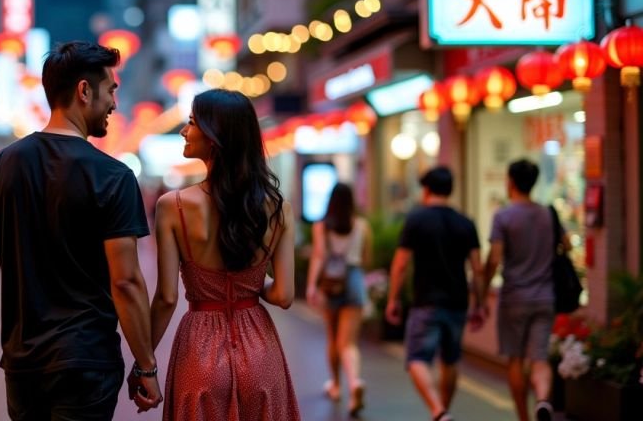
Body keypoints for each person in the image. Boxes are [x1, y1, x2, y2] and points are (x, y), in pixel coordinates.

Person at [0, 41, 161, 419]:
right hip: (87, 360)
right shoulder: (113, 176)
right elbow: (126, 282)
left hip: (23, 361)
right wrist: (145, 364)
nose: (115, 105)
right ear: (84, 91)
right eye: (111, 90)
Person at [149, 89, 301, 420]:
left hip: (198, 351)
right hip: (261, 350)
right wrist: (251, 281)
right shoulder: (278, 209)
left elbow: (165, 297)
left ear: (215, 136)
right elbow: (285, 295)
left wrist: (143, 362)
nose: (183, 131)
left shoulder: (172, 206)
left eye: (191, 122)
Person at [386, 166, 486, 421]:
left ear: (427, 189)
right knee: (450, 360)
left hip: (426, 302)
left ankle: (438, 410)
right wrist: (481, 303)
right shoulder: (466, 222)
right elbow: (477, 268)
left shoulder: (417, 219)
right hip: (457, 302)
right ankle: (443, 411)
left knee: (416, 358)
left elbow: (400, 263)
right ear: (450, 190)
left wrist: (393, 298)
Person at [484, 159, 563, 421]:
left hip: (514, 298)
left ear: (511, 182)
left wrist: (482, 291)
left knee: (516, 358)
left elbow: (494, 258)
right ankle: (542, 400)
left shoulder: (504, 216)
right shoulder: (548, 213)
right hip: (545, 296)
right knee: (539, 358)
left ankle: (523, 417)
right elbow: (566, 246)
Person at [306, 183, 371, 416]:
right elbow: (366, 258)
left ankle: (336, 385)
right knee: (349, 343)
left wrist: (312, 285)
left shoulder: (322, 226)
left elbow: (319, 256)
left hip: (330, 283)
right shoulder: (362, 226)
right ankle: (354, 382)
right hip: (353, 280)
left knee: (333, 337)